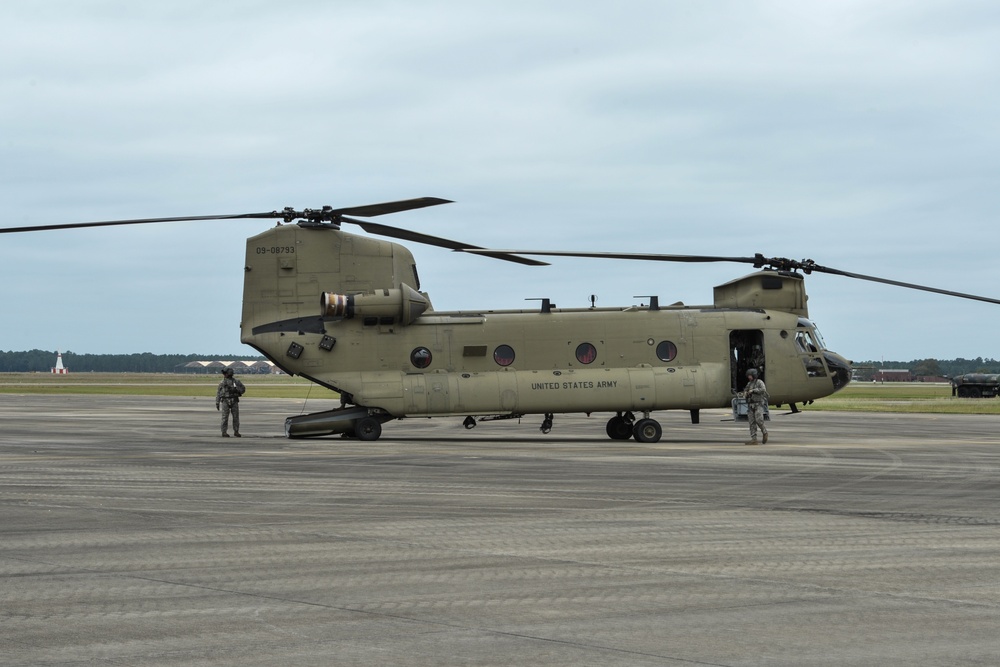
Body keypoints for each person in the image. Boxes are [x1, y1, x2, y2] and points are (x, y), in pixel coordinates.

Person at [740, 368, 768, 445]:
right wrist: (745, 393)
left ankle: (765, 432)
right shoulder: (749, 384)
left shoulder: (759, 382)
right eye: (748, 376)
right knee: (751, 422)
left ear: (754, 375)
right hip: (750, 405)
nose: (749, 377)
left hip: (758, 404)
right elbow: (745, 390)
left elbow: (763, 390)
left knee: (759, 420)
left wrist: (753, 391)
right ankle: (754, 439)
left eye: (750, 375)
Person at [215, 368, 246, 437]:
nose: (224, 375)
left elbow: (243, 389)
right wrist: (217, 402)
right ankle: (224, 432)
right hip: (225, 401)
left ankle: (236, 431)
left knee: (235, 417)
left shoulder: (236, 382)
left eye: (226, 373)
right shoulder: (222, 383)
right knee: (225, 417)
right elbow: (219, 393)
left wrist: (236, 390)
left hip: (234, 400)